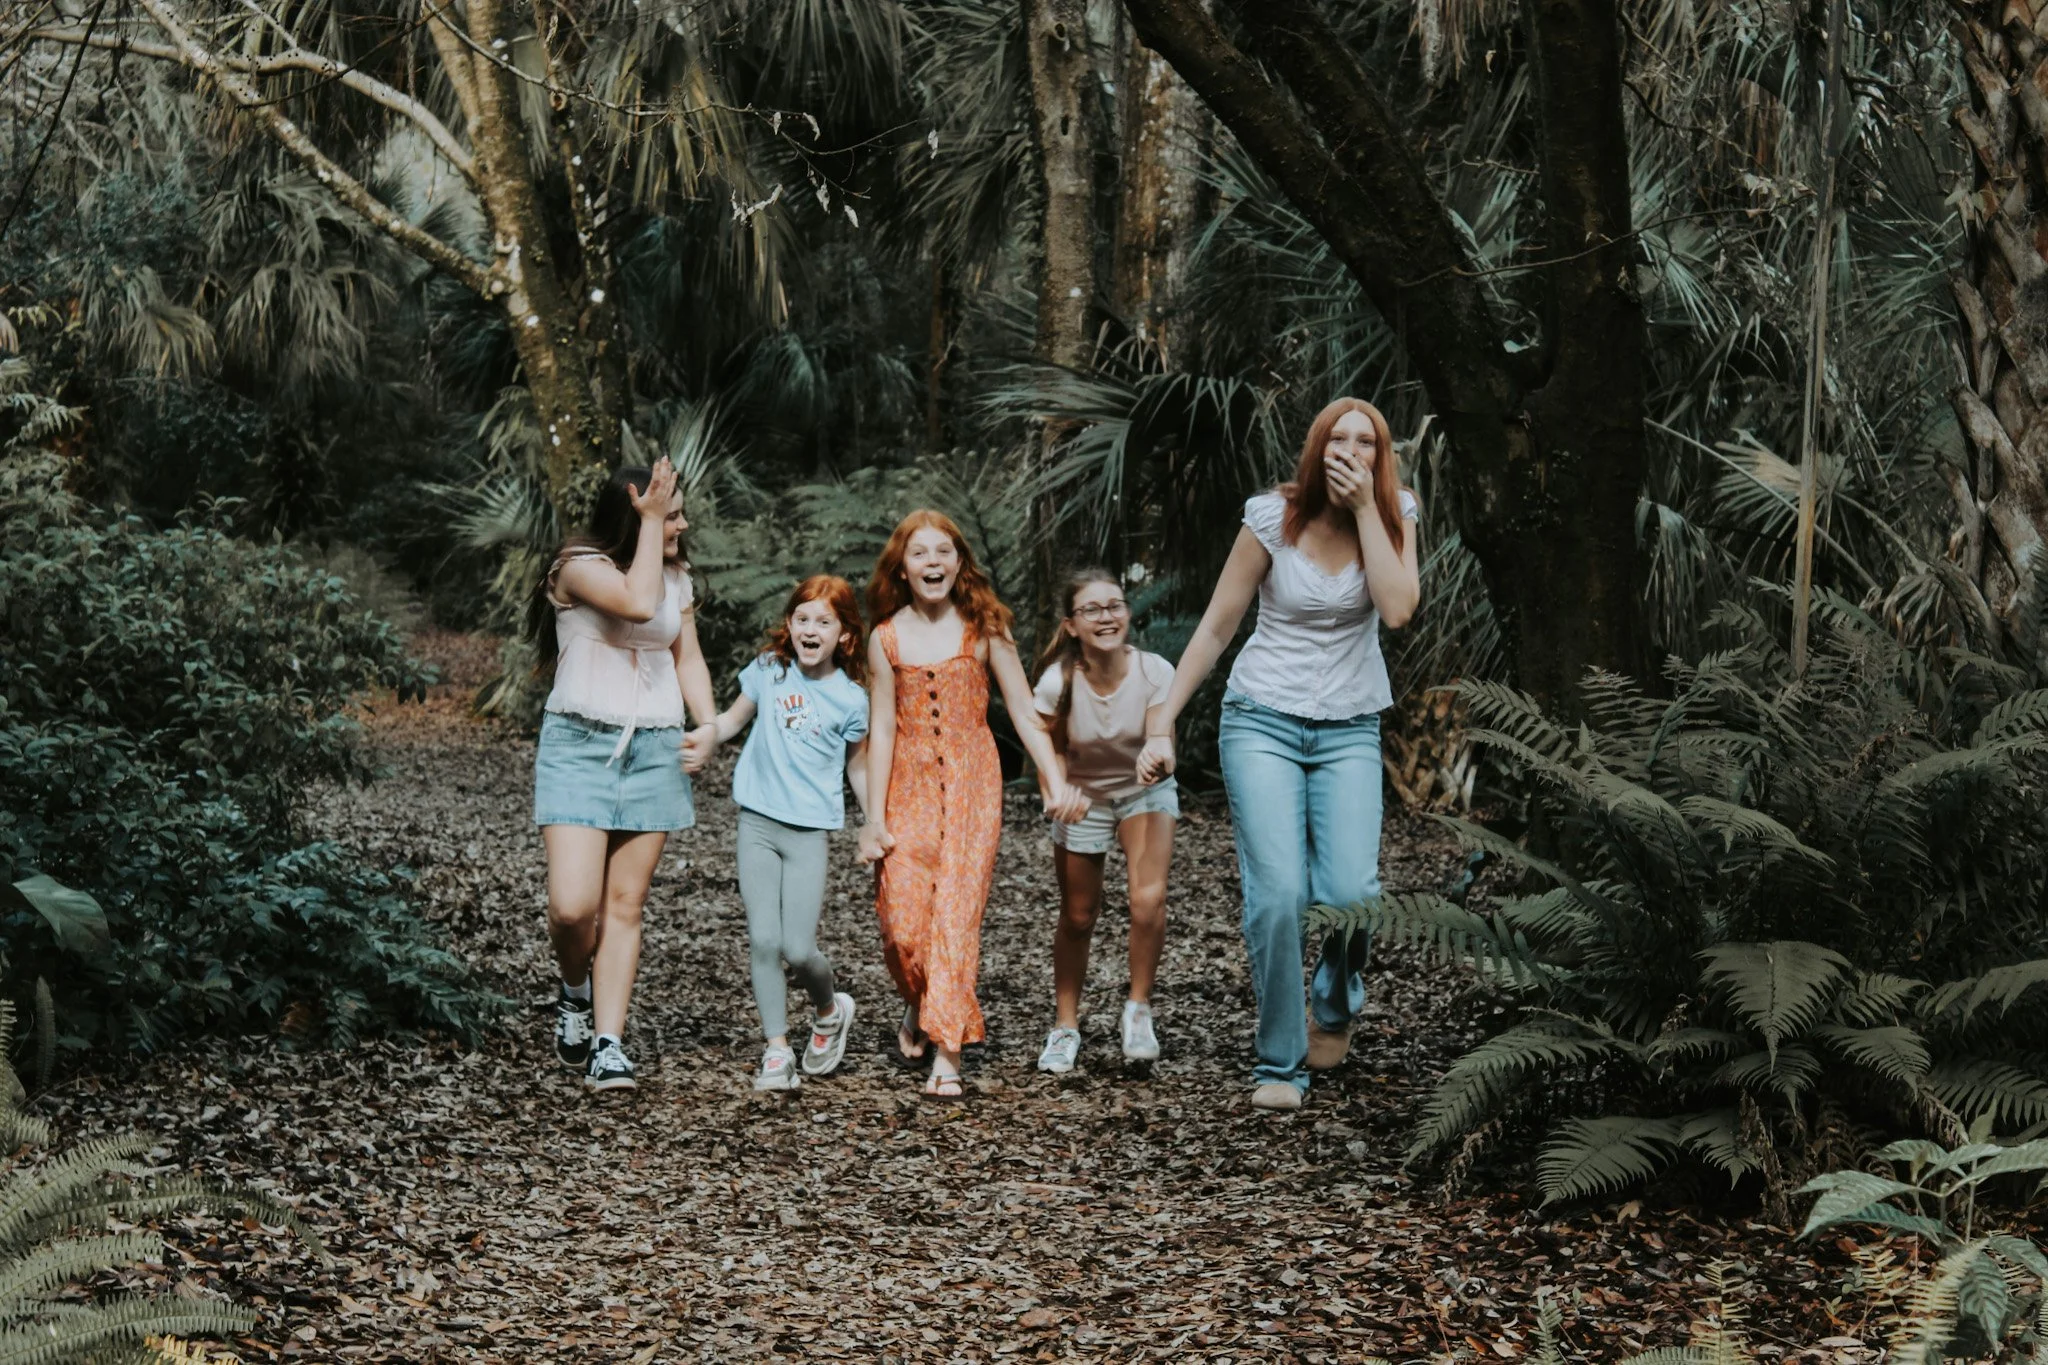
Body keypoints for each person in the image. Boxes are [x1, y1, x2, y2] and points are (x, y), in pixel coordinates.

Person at [1135, 398, 1422, 1111]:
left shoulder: (1396, 514)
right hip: (1261, 718)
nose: (1352, 450)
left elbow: (1398, 609)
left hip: (1350, 725)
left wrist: (1365, 511)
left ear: (1380, 457)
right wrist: (1163, 720)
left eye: (1368, 442)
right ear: (1316, 448)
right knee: (1280, 895)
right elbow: (1215, 628)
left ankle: (1333, 1001)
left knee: (1353, 894)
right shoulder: (1272, 517)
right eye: (1338, 438)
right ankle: (1280, 1062)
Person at [858, 510, 1087, 1099]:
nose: (932, 563)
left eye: (943, 552)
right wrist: (874, 818)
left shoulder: (984, 627)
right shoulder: (885, 638)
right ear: (902, 568)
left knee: (955, 915)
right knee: (903, 925)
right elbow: (881, 726)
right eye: (919, 553)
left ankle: (948, 1055)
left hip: (972, 783)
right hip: (905, 784)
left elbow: (1021, 709)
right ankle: (922, 1004)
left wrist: (1053, 776)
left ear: (959, 563)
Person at [528, 457, 718, 1092]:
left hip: (654, 748)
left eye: (678, 511)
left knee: (625, 905)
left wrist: (708, 723)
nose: (679, 522)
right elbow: (637, 605)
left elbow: (684, 654)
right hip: (580, 744)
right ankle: (574, 989)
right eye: (669, 511)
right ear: (631, 514)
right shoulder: (578, 568)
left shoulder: (676, 579)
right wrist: (651, 521)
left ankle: (609, 1043)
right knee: (572, 907)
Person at [688, 576, 871, 1092]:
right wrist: (705, 737)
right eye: (802, 618)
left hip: (810, 831)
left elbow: (858, 768)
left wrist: (871, 822)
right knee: (764, 939)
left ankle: (830, 1009)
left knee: (798, 948)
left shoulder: (851, 699)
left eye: (824, 621)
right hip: (758, 822)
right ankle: (776, 1049)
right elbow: (730, 721)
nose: (810, 629)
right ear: (789, 626)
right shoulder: (770, 671)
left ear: (845, 637)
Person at [1030, 568, 1178, 1075]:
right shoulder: (1057, 682)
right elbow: (1044, 745)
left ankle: (1137, 1010)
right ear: (1072, 625)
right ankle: (1065, 1025)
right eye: (1091, 609)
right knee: (1077, 915)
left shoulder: (1156, 670)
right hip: (1084, 798)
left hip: (1145, 791)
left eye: (1114, 605)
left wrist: (1157, 761)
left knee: (1148, 899)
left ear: (1127, 613)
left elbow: (1166, 744)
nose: (1106, 616)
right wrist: (1057, 786)